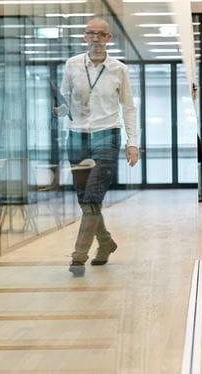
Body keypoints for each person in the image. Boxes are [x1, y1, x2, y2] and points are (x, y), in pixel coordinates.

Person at [54, 18, 139, 277]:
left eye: (101, 35)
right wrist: (61, 110)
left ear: (108, 38)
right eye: (91, 34)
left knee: (93, 196)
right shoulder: (72, 65)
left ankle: (79, 256)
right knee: (84, 198)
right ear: (84, 36)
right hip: (78, 136)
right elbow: (66, 99)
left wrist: (132, 142)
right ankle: (105, 243)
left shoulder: (118, 69)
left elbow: (129, 107)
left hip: (107, 135)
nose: (96, 39)